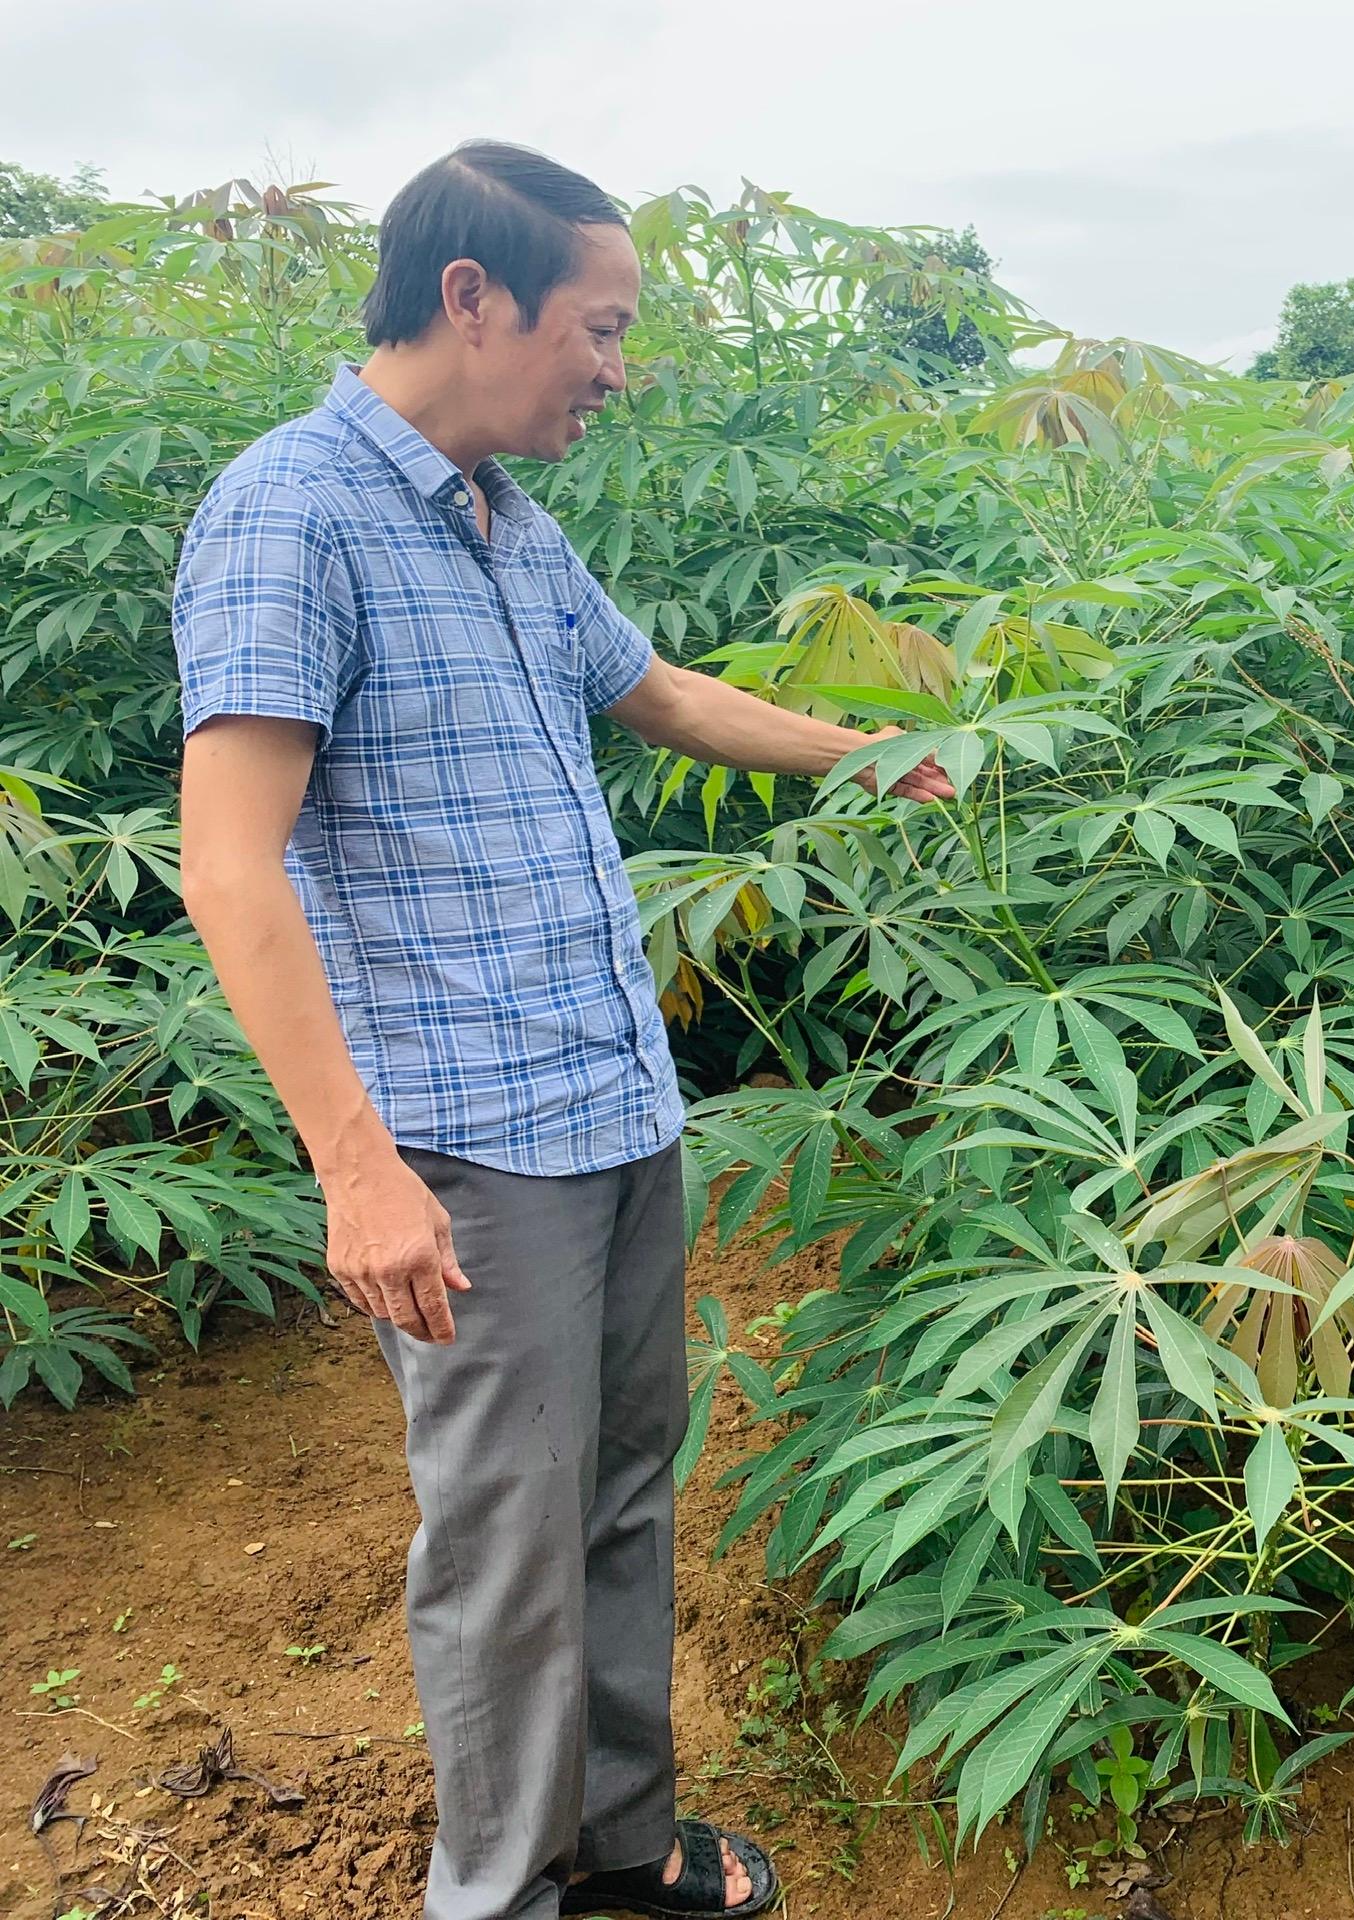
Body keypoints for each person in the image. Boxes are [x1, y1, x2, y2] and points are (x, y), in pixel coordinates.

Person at [172, 142, 951, 1920]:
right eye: (597, 327)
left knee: (614, 1498)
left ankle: (613, 1846)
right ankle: (504, 1897)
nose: (617, 365)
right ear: (473, 298)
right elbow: (233, 868)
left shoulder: (507, 523)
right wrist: (357, 1172)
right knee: (507, 1552)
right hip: (465, 1134)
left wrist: (886, 758)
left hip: (607, 1098)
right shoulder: (292, 511)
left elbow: (659, 690)